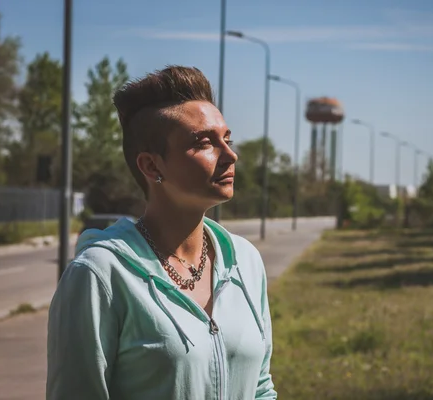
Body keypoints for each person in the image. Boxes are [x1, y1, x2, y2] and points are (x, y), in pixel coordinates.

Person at [46, 66, 277, 400]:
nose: (230, 154)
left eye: (227, 139)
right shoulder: (99, 276)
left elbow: (260, 388)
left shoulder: (246, 262)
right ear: (152, 166)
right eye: (204, 143)